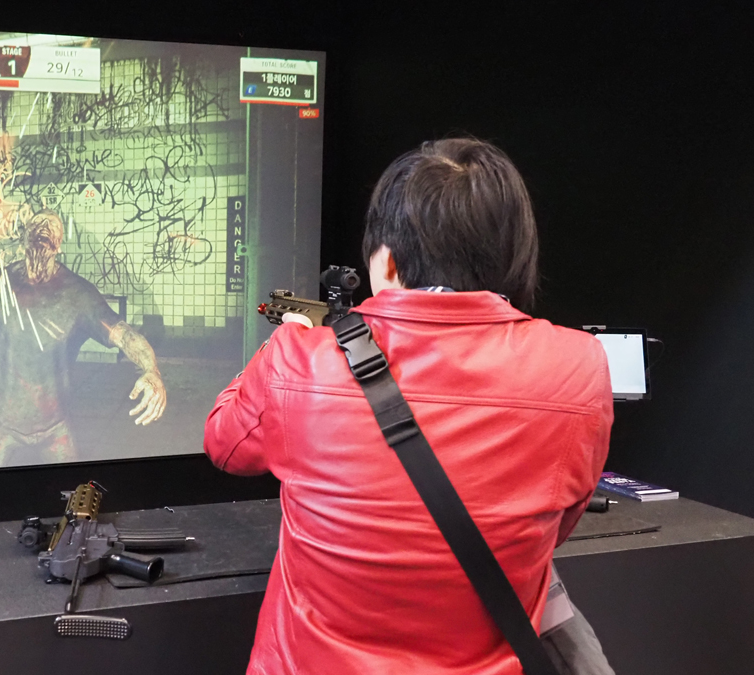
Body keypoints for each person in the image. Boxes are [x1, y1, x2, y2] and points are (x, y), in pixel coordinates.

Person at [204, 138, 614, 674]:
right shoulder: (580, 365)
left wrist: (278, 348)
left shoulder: (298, 358)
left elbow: (224, 444)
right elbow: (553, 528)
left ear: (389, 261)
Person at [0, 209, 166, 468]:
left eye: (53, 226)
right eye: (38, 223)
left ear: (58, 245)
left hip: (53, 427)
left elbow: (124, 335)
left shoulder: (77, 294)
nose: (45, 226)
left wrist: (151, 369)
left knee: (72, 488)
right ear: (23, 239)